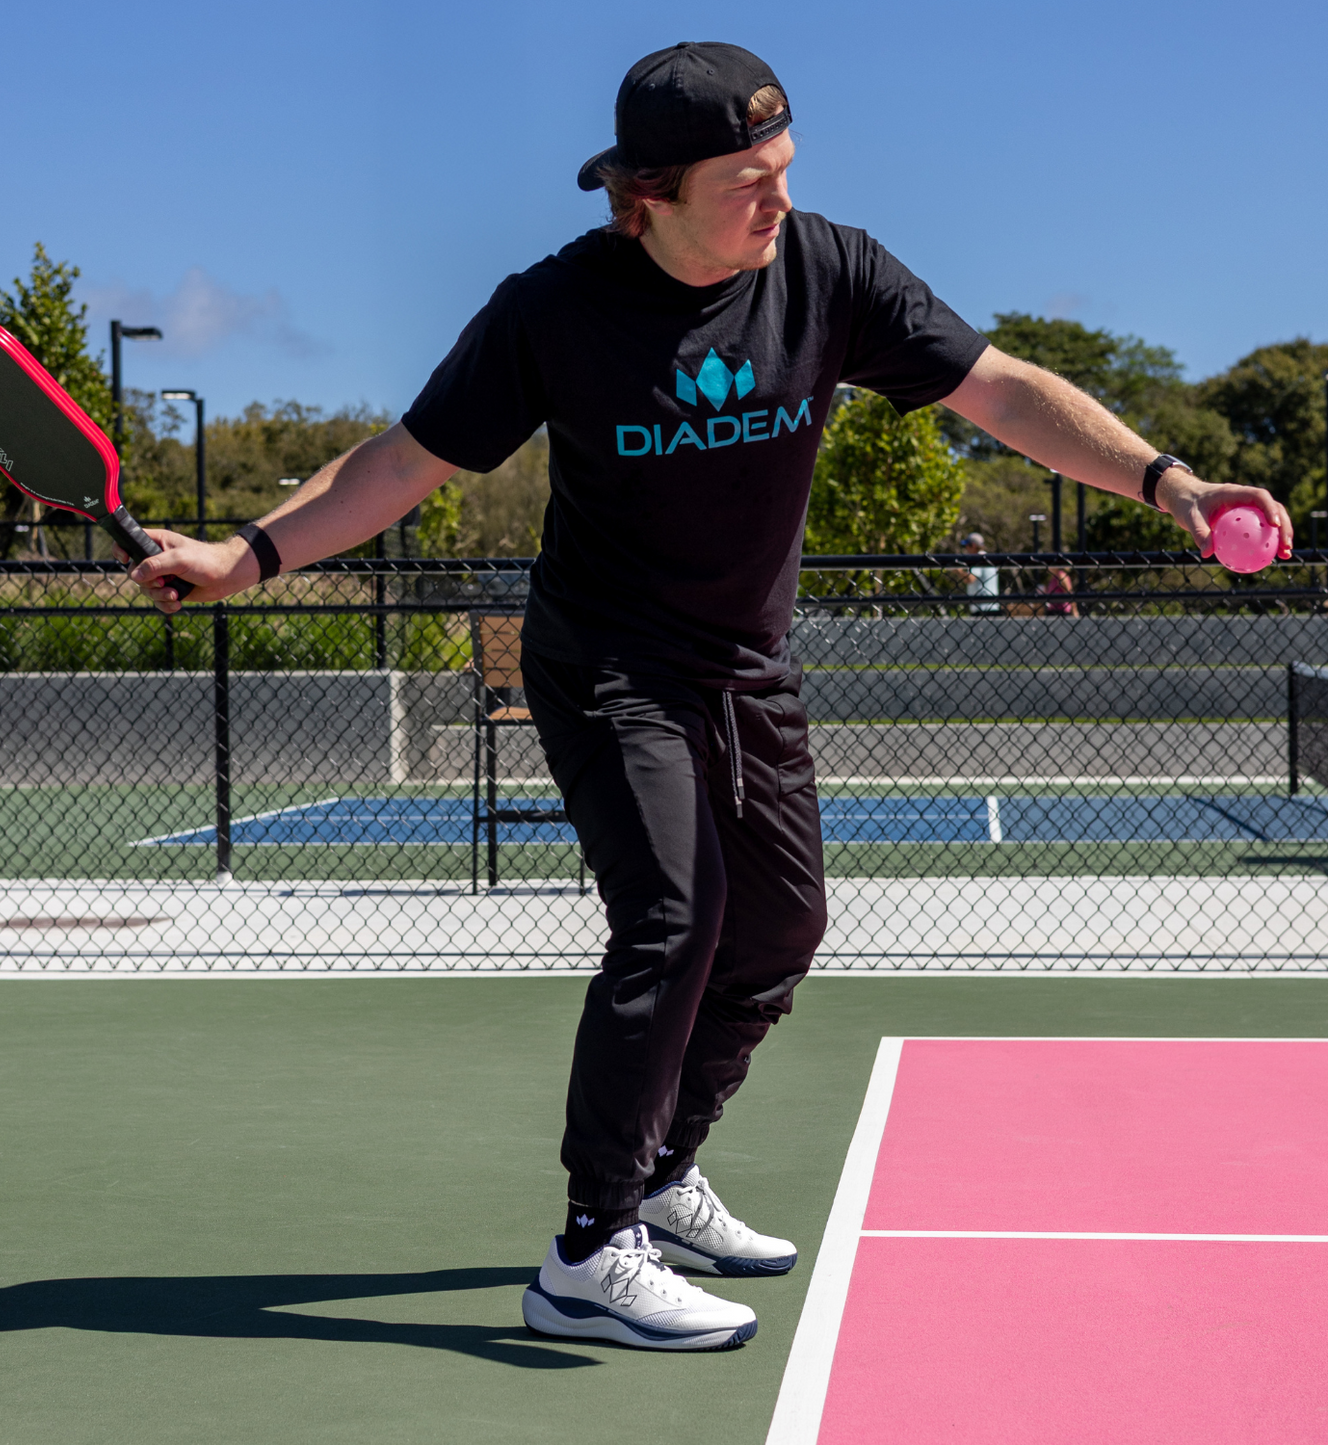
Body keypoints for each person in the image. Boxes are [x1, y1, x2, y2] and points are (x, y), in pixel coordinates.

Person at [119, 41, 1292, 1351]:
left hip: (744, 662)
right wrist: (246, 554)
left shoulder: (831, 270)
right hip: (609, 662)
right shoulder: (552, 312)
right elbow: (402, 461)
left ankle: (665, 1171)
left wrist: (1170, 481)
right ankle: (588, 1249)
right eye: (747, 180)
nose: (778, 200)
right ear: (648, 194)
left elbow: (997, 389)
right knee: (673, 915)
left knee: (780, 930)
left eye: (785, 169)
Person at [954, 532, 1001, 614]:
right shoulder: (987, 558)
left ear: (973, 545)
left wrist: (958, 571)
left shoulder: (979, 558)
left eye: (967, 546)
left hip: (982, 608)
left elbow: (970, 579)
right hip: (990, 606)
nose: (966, 549)